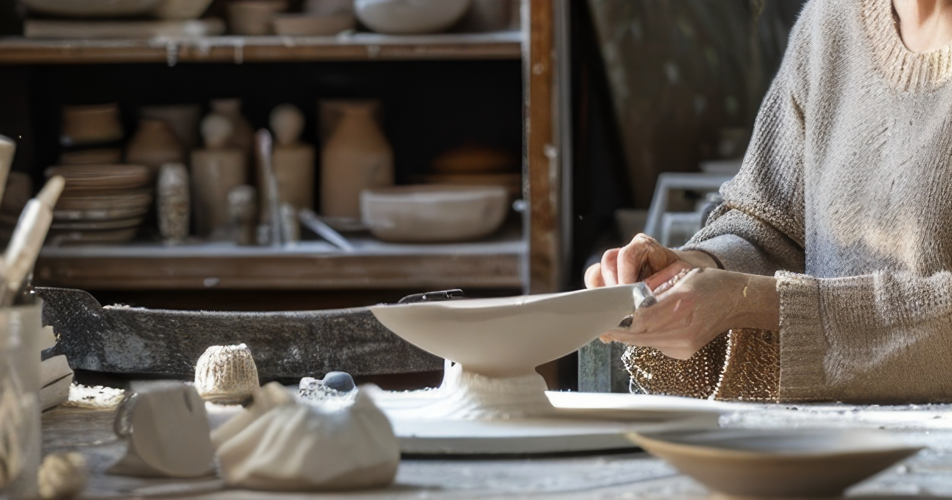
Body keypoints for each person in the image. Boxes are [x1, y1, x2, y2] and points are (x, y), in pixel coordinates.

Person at [586, 0, 952, 404]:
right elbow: (770, 227)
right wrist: (694, 269)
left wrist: (753, 303)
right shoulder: (831, 21)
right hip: (829, 440)